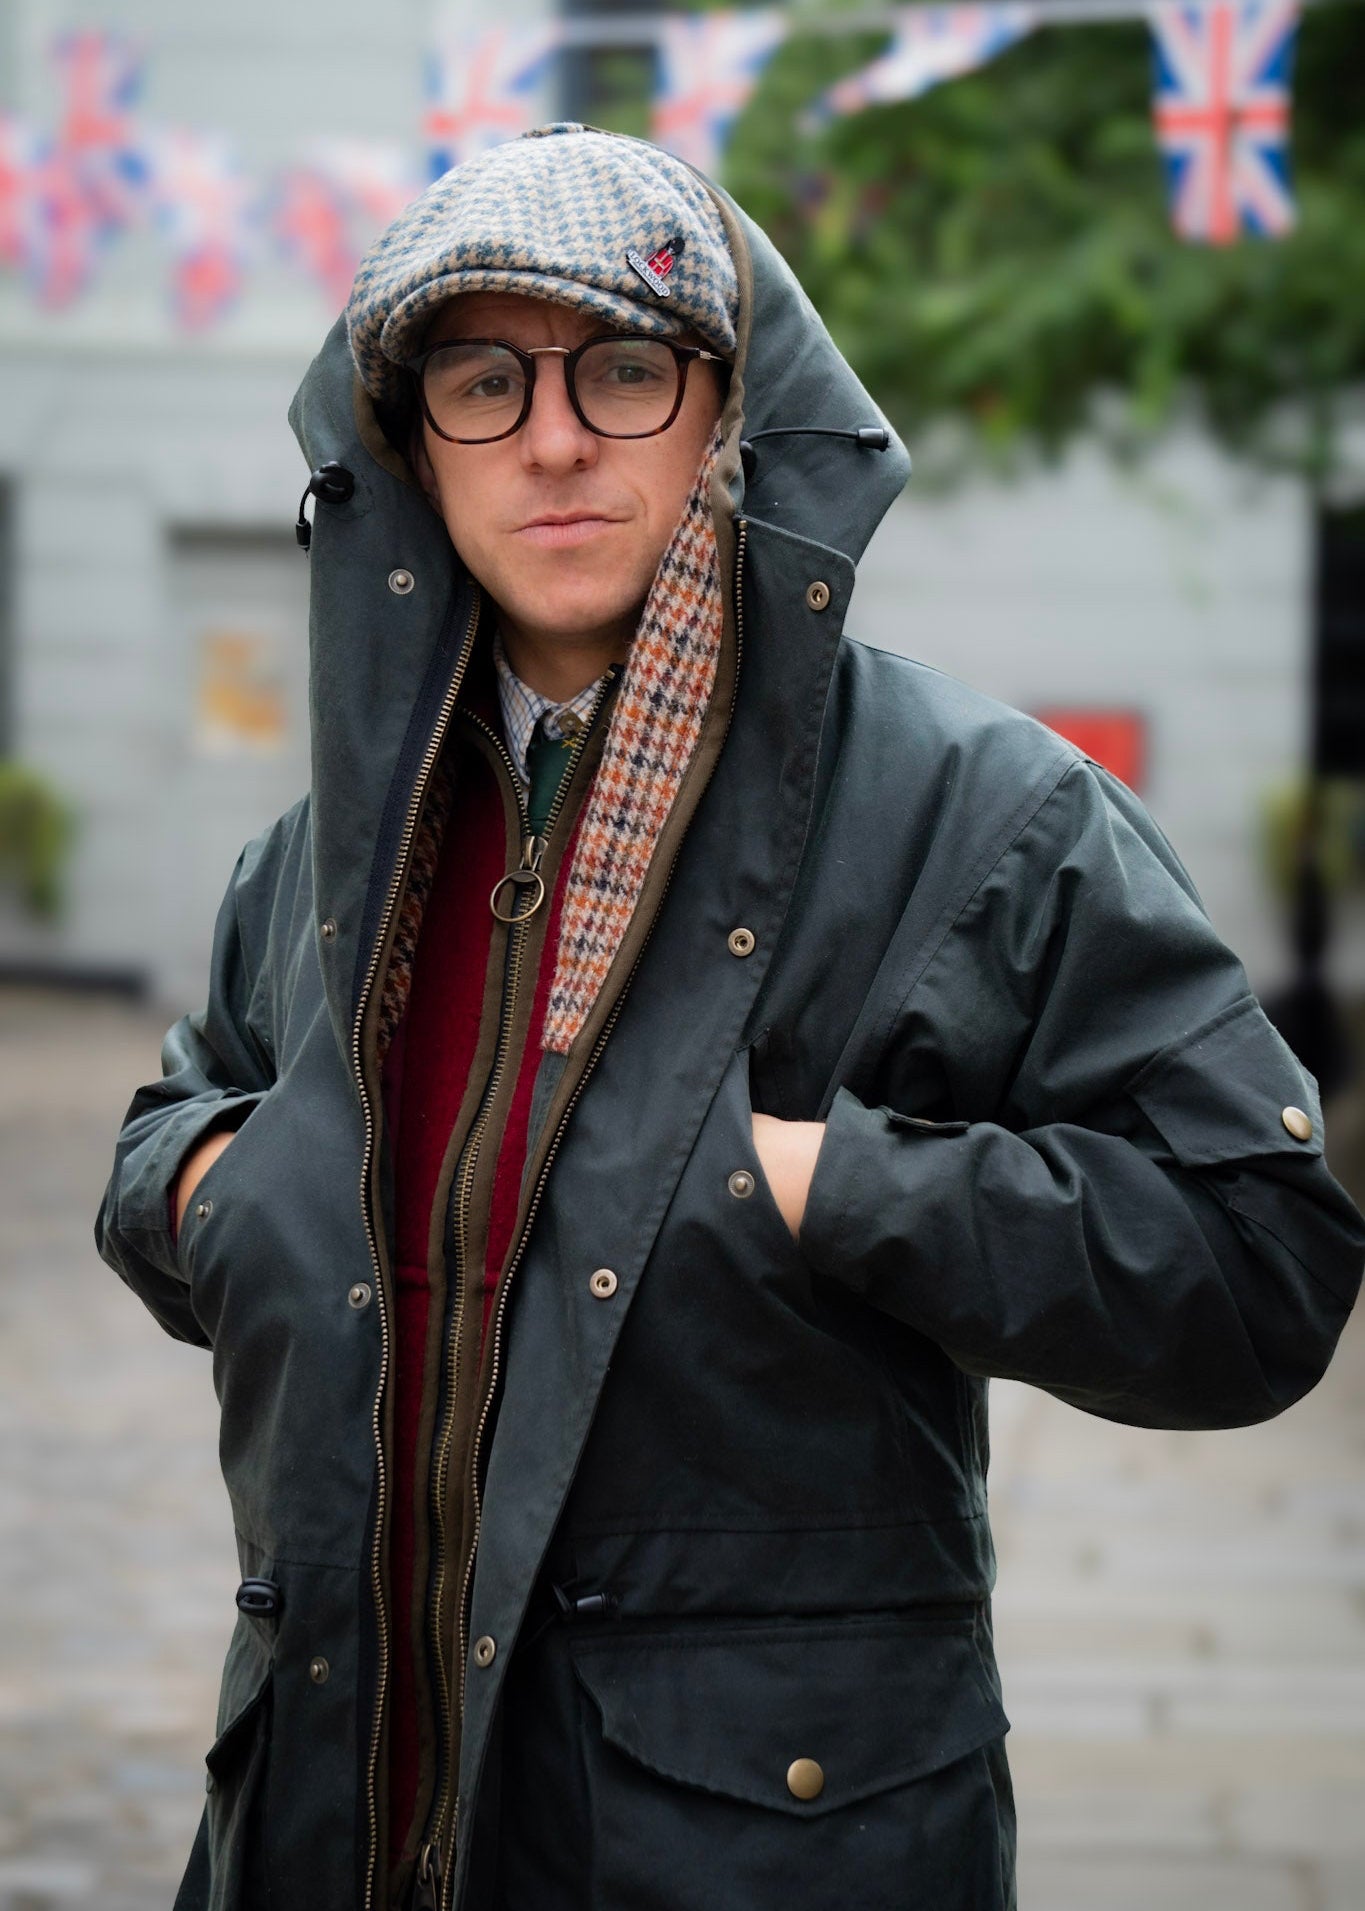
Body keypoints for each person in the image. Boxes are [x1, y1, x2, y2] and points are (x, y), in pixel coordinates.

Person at [96, 124, 1364, 1911]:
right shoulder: (327, 851)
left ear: (726, 409)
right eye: (480, 379)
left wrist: (824, 1187)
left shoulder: (975, 814)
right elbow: (178, 1126)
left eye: (622, 369)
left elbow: (1257, 1259)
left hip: (757, 1847)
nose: (550, 437)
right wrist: (213, 1190)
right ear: (406, 447)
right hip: (333, 1817)